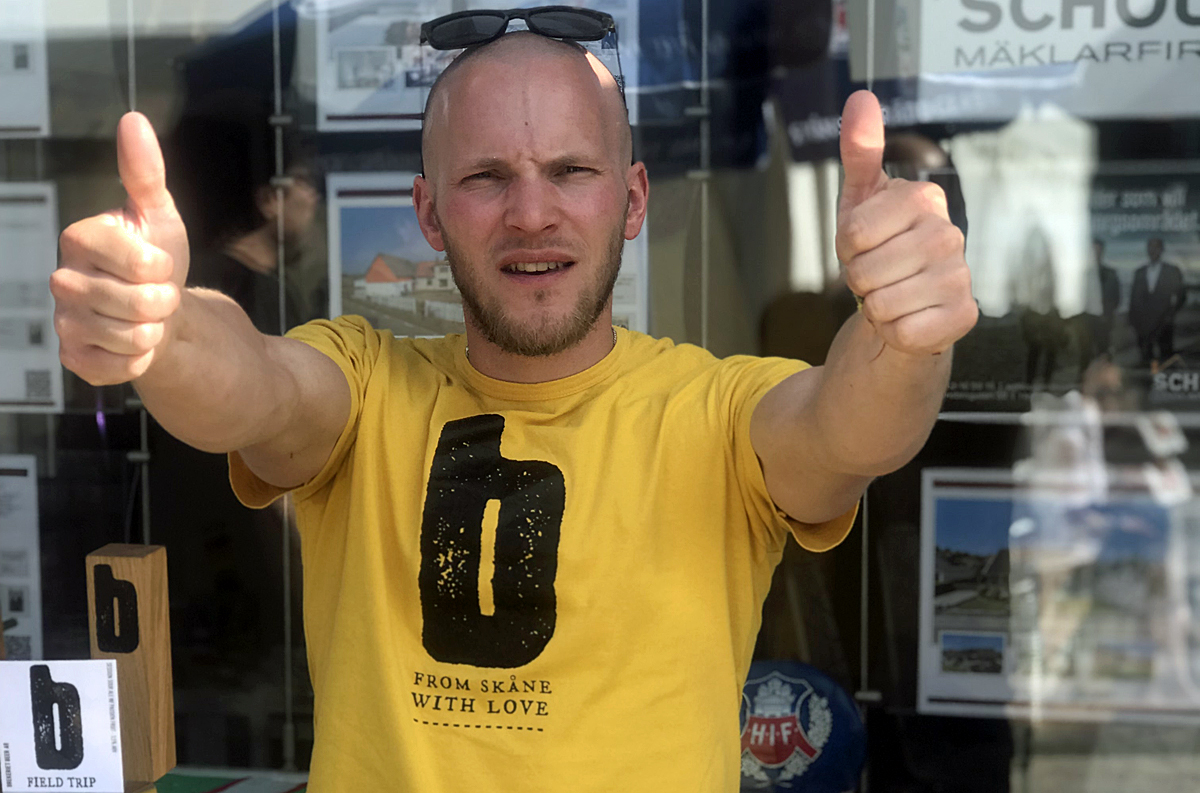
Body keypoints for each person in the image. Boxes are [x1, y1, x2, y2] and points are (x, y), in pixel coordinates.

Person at [51, 28, 976, 793]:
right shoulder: (366, 386)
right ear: (428, 214)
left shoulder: (716, 412)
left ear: (632, 199)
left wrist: (906, 339)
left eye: (571, 170)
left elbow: (849, 431)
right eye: (486, 177)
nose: (532, 213)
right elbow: (252, 385)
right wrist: (162, 328)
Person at [1129, 237, 1185, 367]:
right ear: (1147, 250)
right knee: (1145, 361)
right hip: (1143, 326)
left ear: (1162, 250)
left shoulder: (1172, 271)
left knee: (1166, 360)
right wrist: (1134, 321)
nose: (1153, 250)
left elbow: (1181, 296)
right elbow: (1133, 299)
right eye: (1150, 247)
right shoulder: (1139, 272)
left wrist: (1170, 315)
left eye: (1156, 247)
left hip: (1164, 323)